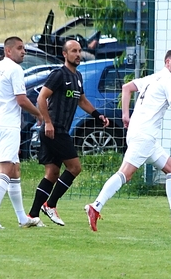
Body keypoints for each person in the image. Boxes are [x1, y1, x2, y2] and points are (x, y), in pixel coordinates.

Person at [84, 49, 171, 231]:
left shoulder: (154, 77)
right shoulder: (170, 80)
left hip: (141, 135)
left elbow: (127, 88)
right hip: (144, 137)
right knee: (125, 174)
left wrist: (125, 115)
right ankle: (95, 206)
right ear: (167, 61)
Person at [27, 39, 110, 226]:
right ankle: (50, 204)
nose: (78, 54)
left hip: (60, 130)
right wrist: (48, 122)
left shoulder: (78, 76)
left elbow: (82, 100)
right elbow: (41, 98)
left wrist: (97, 115)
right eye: (73, 51)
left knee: (52, 173)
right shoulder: (58, 74)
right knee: (75, 168)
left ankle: (32, 216)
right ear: (65, 54)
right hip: (54, 129)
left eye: (79, 51)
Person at [0, 37, 44, 229]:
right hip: (8, 126)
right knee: (6, 170)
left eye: (24, 48)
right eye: (19, 48)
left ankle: (23, 219)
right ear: (8, 51)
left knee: (14, 171)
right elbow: (21, 100)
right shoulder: (15, 69)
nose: (24, 51)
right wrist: (39, 113)